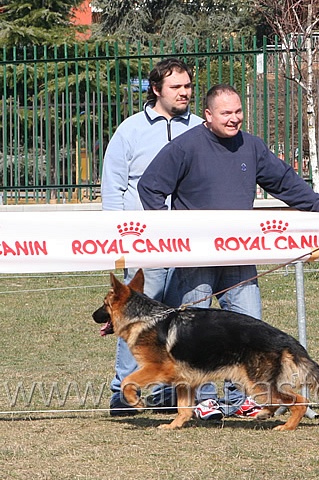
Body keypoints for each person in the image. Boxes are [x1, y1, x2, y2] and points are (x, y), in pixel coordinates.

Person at [137, 83, 319, 419]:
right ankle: (202, 400)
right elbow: (150, 186)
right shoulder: (185, 147)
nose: (234, 119)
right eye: (226, 113)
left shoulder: (251, 146)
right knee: (193, 334)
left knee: (250, 330)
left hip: (239, 257)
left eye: (238, 112)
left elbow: (283, 181)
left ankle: (245, 399)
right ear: (208, 115)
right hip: (196, 259)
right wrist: (169, 231)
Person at [100, 58, 204, 416]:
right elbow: (113, 187)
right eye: (177, 87)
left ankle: (169, 395)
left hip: (189, 242)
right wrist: (117, 235)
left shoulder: (202, 128)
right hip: (145, 241)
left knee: (182, 319)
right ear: (156, 89)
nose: (185, 92)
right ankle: (122, 392)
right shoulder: (130, 130)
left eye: (188, 86)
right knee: (135, 319)